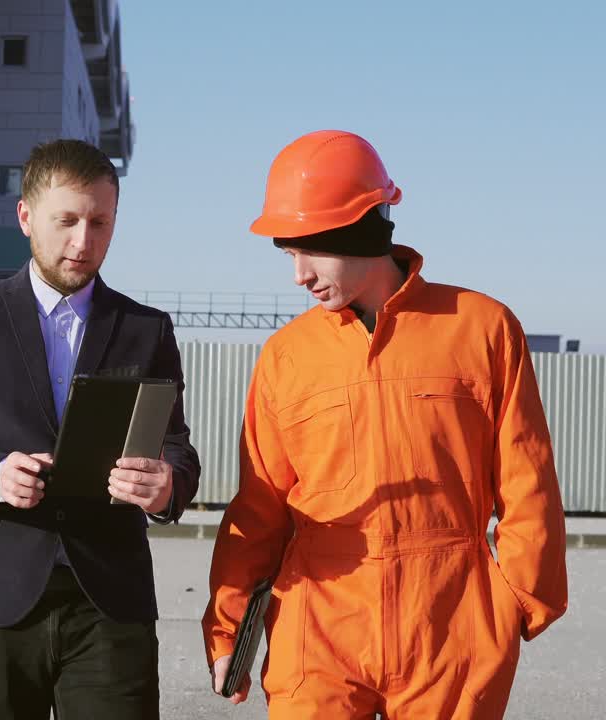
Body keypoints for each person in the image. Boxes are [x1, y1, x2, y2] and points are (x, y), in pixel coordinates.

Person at [203, 130, 568, 719]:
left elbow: (527, 481)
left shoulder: (481, 328)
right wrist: (227, 628)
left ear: (358, 230)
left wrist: (517, 601)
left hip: (450, 630)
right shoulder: (285, 356)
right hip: (317, 628)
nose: (298, 275)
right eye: (288, 254)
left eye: (309, 251)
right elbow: (260, 508)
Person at [0, 138, 201, 720]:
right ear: (26, 217)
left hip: (109, 602)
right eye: (66, 221)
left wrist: (167, 486)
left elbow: (175, 444)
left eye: (100, 222)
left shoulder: (146, 329)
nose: (83, 242)